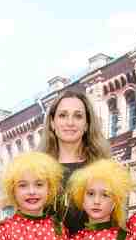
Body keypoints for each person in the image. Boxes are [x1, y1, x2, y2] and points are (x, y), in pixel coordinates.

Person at [37, 88, 112, 228]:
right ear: (52, 123)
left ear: (87, 125)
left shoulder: (104, 171)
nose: (70, 122)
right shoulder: (38, 171)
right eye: (63, 115)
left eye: (78, 116)